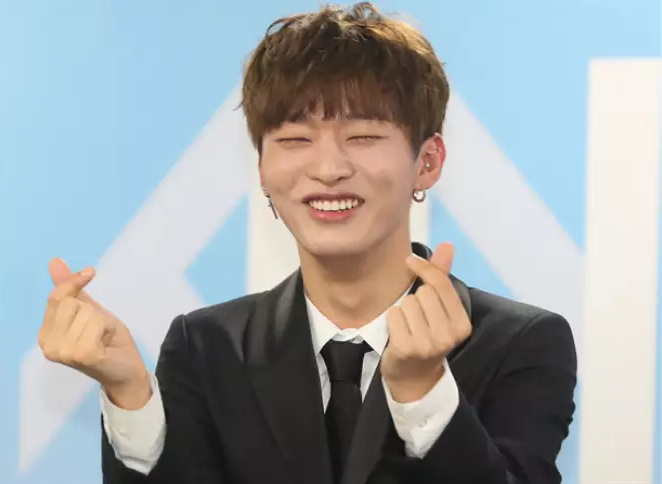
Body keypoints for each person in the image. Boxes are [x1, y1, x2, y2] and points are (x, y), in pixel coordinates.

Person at [37, 2, 577, 483]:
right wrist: (129, 393)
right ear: (262, 169)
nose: (328, 168)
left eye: (362, 137)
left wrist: (423, 388)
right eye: (294, 140)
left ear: (428, 161)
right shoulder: (206, 348)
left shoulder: (519, 344)